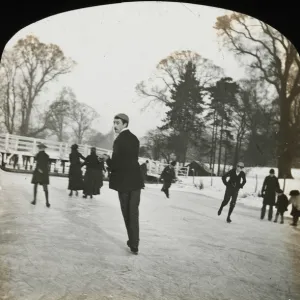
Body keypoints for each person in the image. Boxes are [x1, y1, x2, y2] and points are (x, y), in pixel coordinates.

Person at [103, 113, 144, 255]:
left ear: (125, 124)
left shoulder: (119, 140)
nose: (115, 126)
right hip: (136, 181)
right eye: (114, 122)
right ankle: (135, 243)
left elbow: (116, 164)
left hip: (124, 183)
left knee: (127, 213)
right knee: (134, 213)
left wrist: (107, 159)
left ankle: (133, 243)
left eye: (118, 123)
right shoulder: (135, 139)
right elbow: (131, 160)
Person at [31, 143, 50, 207]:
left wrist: (39, 169)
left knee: (35, 186)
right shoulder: (47, 156)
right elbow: (47, 165)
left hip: (38, 172)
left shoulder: (38, 155)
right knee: (45, 187)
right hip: (44, 172)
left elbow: (36, 160)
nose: (39, 149)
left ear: (40, 148)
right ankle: (47, 202)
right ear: (44, 148)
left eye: (39, 148)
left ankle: (34, 200)